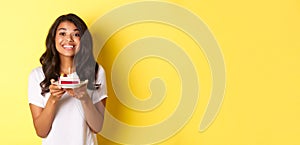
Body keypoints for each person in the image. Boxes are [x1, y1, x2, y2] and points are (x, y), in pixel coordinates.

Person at [28, 13, 107, 145]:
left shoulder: (96, 72)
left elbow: (97, 128)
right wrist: (53, 99)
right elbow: (41, 131)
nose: (69, 39)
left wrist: (84, 98)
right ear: (53, 38)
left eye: (76, 34)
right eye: (62, 33)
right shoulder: (38, 75)